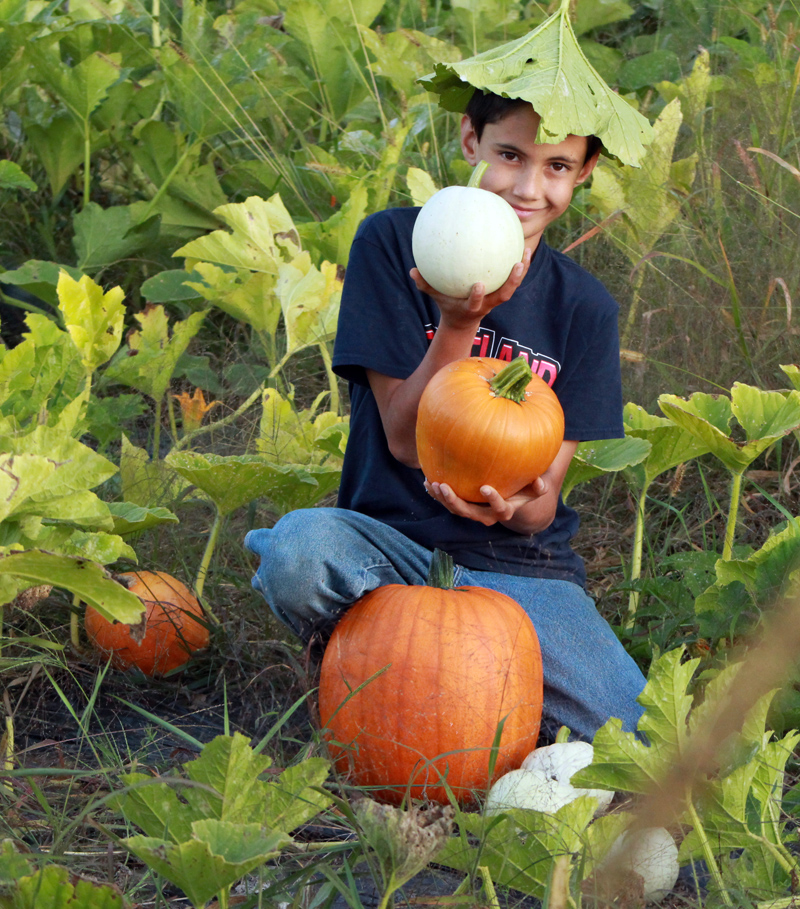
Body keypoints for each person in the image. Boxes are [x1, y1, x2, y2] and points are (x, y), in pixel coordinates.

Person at [244, 88, 647, 742]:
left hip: (520, 568)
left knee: (635, 736)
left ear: (585, 172)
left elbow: (545, 503)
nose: (527, 186)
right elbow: (405, 439)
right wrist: (461, 322)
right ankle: (363, 669)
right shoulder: (396, 243)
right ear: (470, 142)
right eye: (509, 154)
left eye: (557, 167)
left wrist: (515, 504)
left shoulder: (583, 308)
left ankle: (485, 696)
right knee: (299, 553)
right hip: (388, 551)